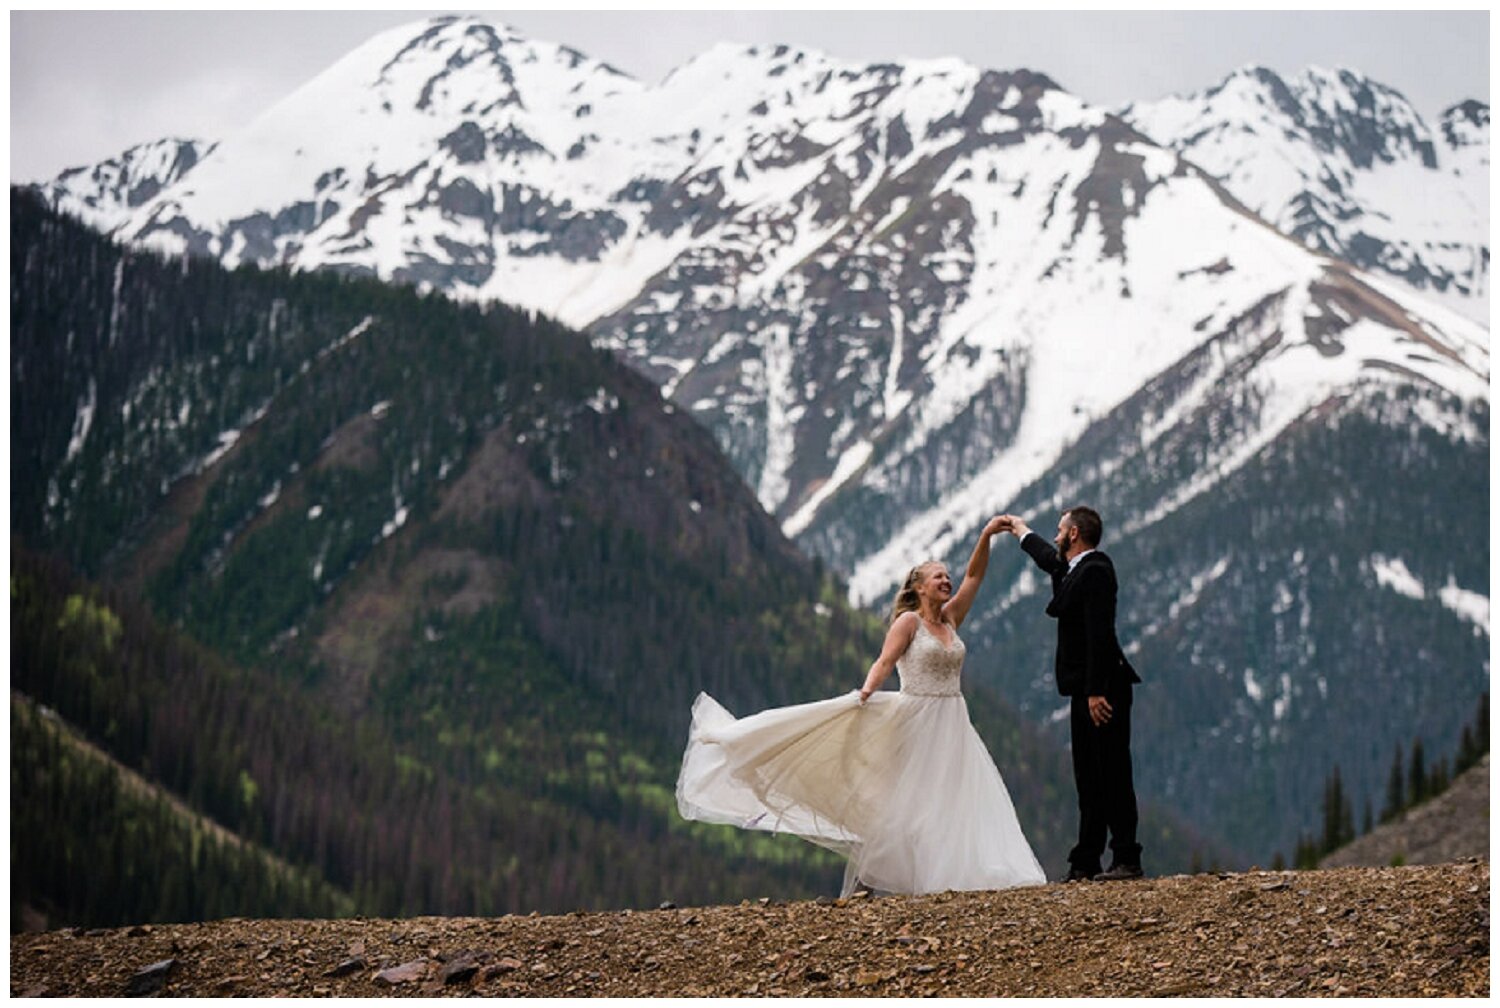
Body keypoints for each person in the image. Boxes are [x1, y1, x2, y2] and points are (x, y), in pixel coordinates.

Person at [676, 516, 1046, 896]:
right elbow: (885, 662)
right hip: (915, 718)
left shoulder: (951, 619)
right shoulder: (908, 623)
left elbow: (974, 578)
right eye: (937, 576)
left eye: (946, 576)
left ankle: (948, 875)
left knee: (953, 797)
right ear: (919, 588)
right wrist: (865, 693)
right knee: (909, 799)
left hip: (953, 720)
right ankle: (878, 876)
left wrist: (985, 535)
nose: (946, 581)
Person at [1002, 507, 1143, 882]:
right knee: (1088, 775)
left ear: (1074, 533)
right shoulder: (1077, 568)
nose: (1056, 536)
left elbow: (1100, 634)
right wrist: (1020, 530)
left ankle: (1127, 857)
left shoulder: (1095, 572)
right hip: (1086, 689)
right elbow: (1050, 560)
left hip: (1103, 688)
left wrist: (1096, 692)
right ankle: (1087, 860)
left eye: (1060, 530)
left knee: (1111, 771)